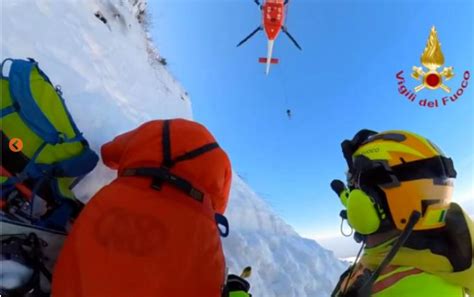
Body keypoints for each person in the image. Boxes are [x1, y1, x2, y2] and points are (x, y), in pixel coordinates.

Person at [52, 119, 252, 297]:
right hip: (193, 229)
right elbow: (218, 210)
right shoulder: (222, 161)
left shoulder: (154, 129)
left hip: (119, 201)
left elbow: (108, 153)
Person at [330, 129, 474, 297]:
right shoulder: (434, 256)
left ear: (376, 203)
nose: (352, 201)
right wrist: (347, 198)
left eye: (355, 188)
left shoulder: (418, 291)